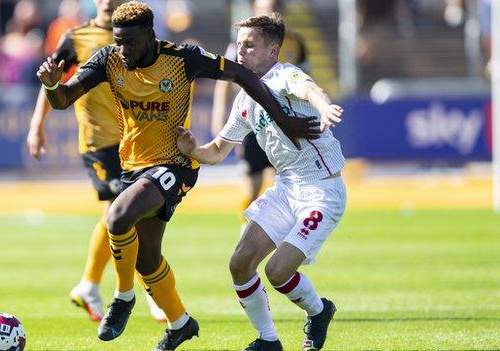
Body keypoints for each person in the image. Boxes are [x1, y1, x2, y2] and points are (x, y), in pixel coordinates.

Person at [36, 1, 319, 349]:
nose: (123, 50)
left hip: (176, 165)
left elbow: (242, 74)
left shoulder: (183, 58)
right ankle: (180, 324)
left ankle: (123, 298)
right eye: (118, 41)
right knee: (146, 258)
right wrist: (51, 86)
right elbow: (64, 99)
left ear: (150, 37)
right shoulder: (107, 58)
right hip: (134, 165)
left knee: (118, 216)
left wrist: (284, 119)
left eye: (130, 43)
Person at [176, 13, 345, 351]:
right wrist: (192, 148)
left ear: (273, 51)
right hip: (285, 189)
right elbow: (217, 152)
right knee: (239, 263)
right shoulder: (245, 98)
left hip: (321, 191)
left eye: (250, 45)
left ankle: (319, 310)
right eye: (239, 45)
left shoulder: (284, 75)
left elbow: (311, 89)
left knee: (278, 271)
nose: (241, 52)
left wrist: (324, 109)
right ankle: (268, 341)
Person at [27, 0, 164, 323]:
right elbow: (51, 82)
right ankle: (145, 291)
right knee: (123, 212)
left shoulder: (138, 36)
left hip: (136, 138)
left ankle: (90, 285)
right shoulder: (76, 38)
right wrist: (37, 125)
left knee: (130, 214)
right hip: (100, 141)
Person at [211, 0, 310, 231]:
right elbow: (224, 83)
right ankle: (246, 234)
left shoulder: (295, 42)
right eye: (264, 7)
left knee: (290, 184)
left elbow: (306, 79)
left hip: (286, 124)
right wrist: (220, 119)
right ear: (255, 11)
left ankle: (288, 238)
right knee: (251, 187)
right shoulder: (241, 45)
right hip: (254, 122)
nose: (269, 11)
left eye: (274, 6)